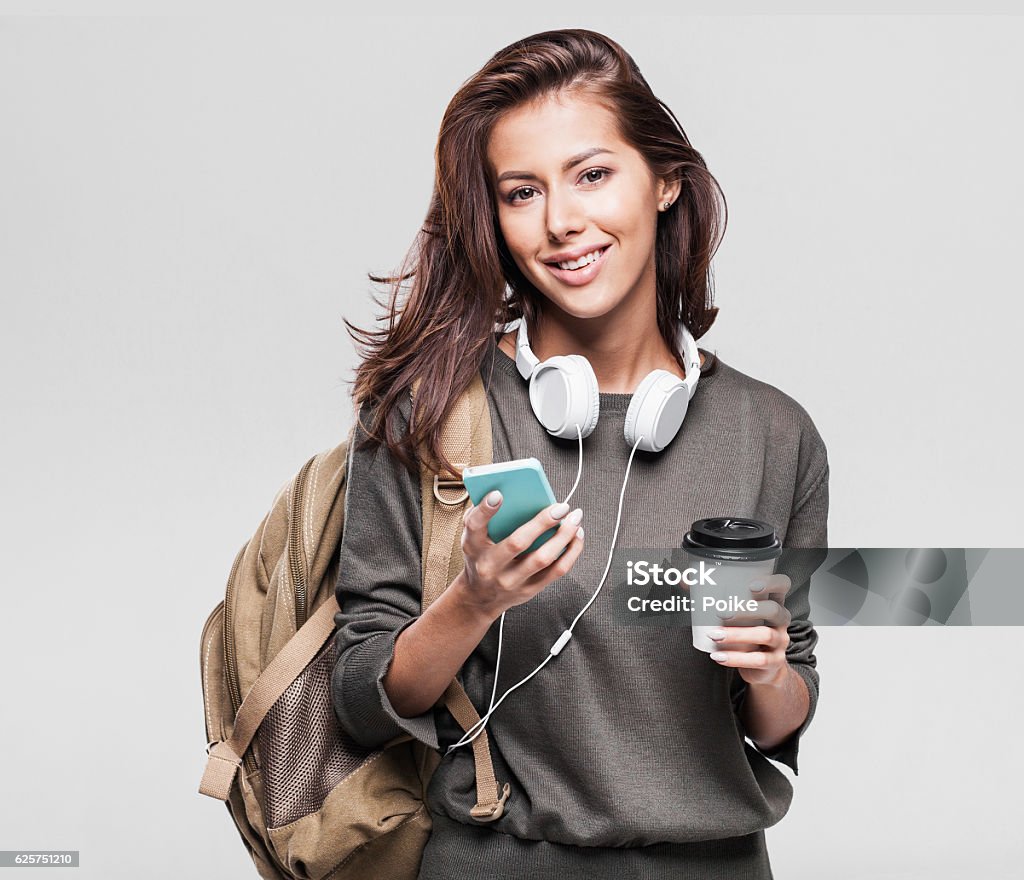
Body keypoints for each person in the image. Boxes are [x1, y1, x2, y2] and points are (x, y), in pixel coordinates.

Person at [331, 28, 829, 879]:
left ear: (665, 180)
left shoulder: (773, 433)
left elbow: (781, 713)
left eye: (592, 175)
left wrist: (772, 670)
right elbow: (361, 701)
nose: (561, 222)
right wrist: (474, 599)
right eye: (521, 192)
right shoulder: (428, 415)